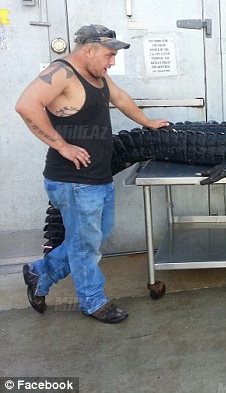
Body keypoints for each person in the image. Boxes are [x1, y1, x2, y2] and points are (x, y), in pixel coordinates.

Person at [15, 24, 170, 323]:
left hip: (97, 177)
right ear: (88, 50)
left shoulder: (97, 75)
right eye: (109, 55)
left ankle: (40, 273)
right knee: (86, 245)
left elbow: (121, 99)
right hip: (73, 181)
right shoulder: (61, 73)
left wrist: (147, 121)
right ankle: (93, 301)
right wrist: (62, 145)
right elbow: (25, 106)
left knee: (93, 238)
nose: (112, 62)